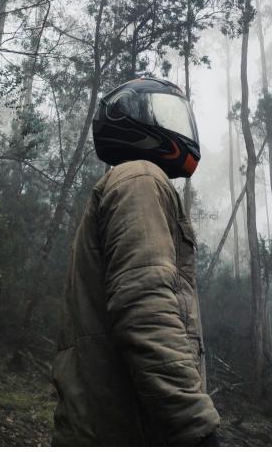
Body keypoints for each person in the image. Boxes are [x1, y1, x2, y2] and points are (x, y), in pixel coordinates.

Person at [52, 76, 222, 446]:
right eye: (165, 114)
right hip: (129, 429)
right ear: (130, 117)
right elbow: (145, 308)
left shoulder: (128, 181)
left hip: (108, 426)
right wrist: (195, 426)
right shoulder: (140, 178)